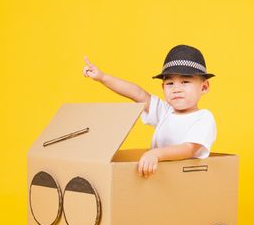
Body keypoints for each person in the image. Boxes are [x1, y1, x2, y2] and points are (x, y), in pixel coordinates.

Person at [82, 44, 217, 179]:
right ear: (163, 87)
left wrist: (156, 154)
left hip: (186, 182)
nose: (176, 89)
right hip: (160, 181)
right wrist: (102, 77)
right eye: (170, 83)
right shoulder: (164, 112)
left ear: (204, 87)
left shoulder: (203, 118)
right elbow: (137, 93)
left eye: (185, 81)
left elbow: (189, 149)